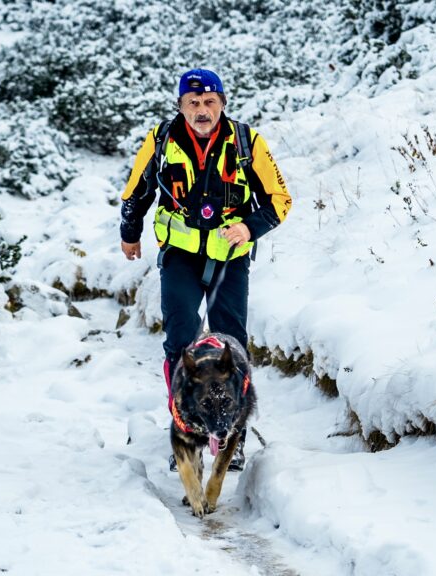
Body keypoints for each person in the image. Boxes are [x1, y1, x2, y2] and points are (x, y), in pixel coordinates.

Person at [119, 68, 292, 471]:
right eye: (193, 103)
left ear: (223, 104)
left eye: (210, 102)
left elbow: (280, 199)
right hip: (179, 255)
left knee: (231, 345)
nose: (202, 110)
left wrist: (250, 226)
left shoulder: (248, 143)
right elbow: (136, 191)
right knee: (180, 343)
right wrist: (130, 233)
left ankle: (233, 433)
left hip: (230, 258)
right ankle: (184, 428)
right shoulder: (160, 140)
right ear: (180, 105)